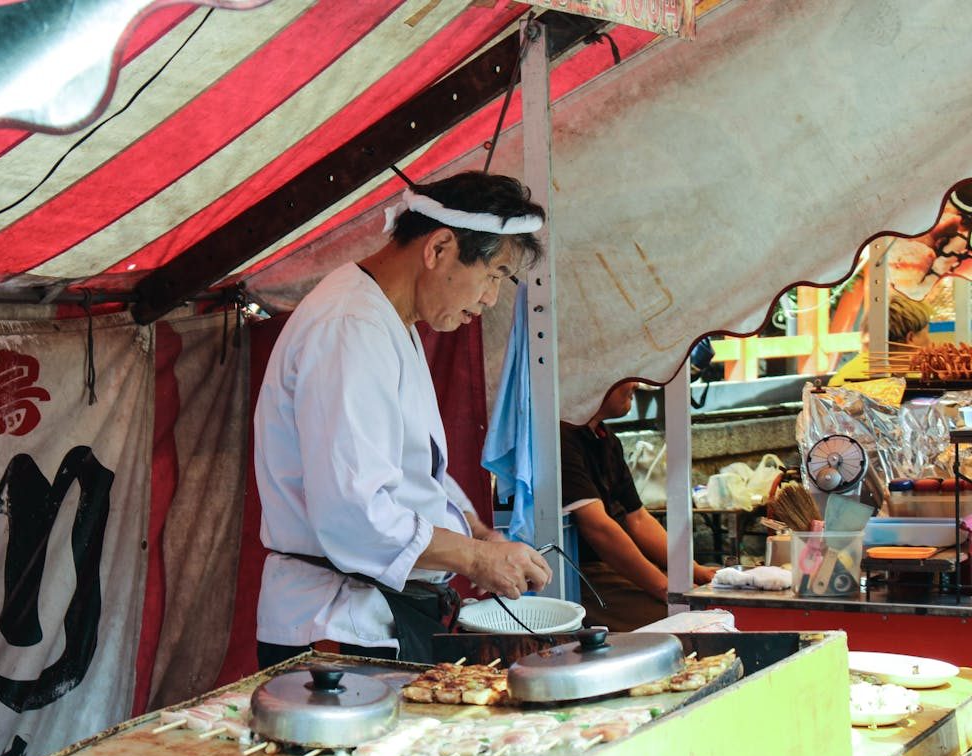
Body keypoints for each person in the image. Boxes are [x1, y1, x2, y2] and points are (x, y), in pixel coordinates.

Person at [253, 171, 553, 668]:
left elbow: (406, 470)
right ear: (438, 248)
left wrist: (475, 531)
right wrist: (476, 559)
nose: (489, 299)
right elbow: (355, 513)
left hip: (371, 619)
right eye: (494, 275)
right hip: (337, 628)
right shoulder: (351, 327)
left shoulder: (386, 321)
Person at [561, 381, 717, 632]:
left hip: (614, 568)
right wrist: (668, 590)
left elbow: (638, 520)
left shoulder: (606, 439)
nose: (635, 384)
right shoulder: (561, 438)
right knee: (687, 622)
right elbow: (599, 529)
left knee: (705, 605)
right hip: (580, 577)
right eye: (627, 375)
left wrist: (693, 571)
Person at [829, 292, 932, 386]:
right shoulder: (861, 380)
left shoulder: (910, 374)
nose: (930, 342)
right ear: (911, 338)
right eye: (927, 333)